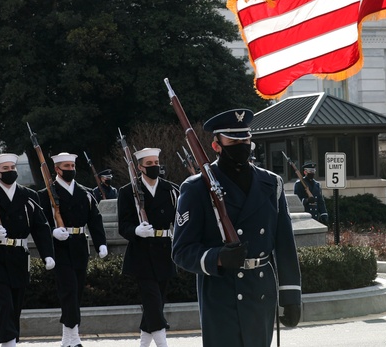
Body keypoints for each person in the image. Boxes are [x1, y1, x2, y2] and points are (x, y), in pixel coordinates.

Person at [172, 109, 302, 347]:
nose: (241, 146)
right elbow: (181, 251)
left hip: (260, 292)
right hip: (220, 296)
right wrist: (217, 258)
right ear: (216, 145)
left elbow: (284, 246)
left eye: (245, 140)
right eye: (233, 141)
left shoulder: (271, 183)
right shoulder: (197, 187)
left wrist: (291, 295)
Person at [0, 152, 55, 347]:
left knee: (15, 305)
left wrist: (48, 254)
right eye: (5, 169)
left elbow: (40, 228)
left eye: (12, 168)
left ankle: (10, 340)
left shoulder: (29, 196)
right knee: (4, 303)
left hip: (18, 256)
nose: (10, 172)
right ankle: (8, 343)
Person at [38, 152, 109, 347]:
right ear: (56, 169)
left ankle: (67, 338)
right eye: (66, 166)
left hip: (79, 246)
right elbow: (40, 224)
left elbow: (95, 220)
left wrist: (100, 242)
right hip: (60, 249)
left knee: (75, 292)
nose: (70, 169)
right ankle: (74, 338)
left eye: (72, 166)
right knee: (68, 290)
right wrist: (53, 232)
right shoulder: (46, 194)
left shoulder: (85, 193)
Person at [118, 147, 180, 347]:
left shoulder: (171, 190)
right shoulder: (128, 192)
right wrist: (136, 230)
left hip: (164, 250)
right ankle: (163, 344)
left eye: (156, 164)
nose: (154, 167)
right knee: (153, 300)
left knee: (157, 302)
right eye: (149, 164)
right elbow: (123, 225)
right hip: (142, 254)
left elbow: (181, 220)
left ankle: (144, 344)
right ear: (139, 167)